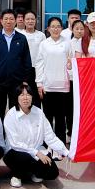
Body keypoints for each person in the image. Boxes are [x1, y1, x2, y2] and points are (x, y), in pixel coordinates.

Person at [3, 84, 69, 188]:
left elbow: (50, 137)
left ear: (32, 97)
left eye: (28, 94)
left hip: (37, 150)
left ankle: (33, 172)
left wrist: (66, 152)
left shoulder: (38, 113)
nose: (25, 98)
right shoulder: (11, 115)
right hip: (15, 152)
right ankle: (17, 175)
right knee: (25, 158)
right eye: (22, 95)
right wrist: (37, 153)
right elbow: (15, 143)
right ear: (17, 98)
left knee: (53, 172)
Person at [0, 9, 32, 120]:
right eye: (6, 19)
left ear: (15, 21)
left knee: (16, 110)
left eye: (11, 19)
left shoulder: (21, 38)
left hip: (17, 81)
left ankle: (14, 131)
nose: (8, 21)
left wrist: (25, 79)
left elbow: (27, 60)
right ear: (1, 21)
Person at [35, 17, 71, 145]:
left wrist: (70, 67)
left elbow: (72, 62)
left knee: (61, 118)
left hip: (63, 85)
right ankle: (48, 144)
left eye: (58, 26)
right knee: (48, 117)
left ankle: (60, 145)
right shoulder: (44, 44)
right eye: (53, 26)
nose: (55, 29)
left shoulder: (67, 43)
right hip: (47, 86)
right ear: (48, 29)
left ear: (62, 28)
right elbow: (39, 63)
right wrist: (39, 83)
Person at [17, 10, 45, 107]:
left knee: (37, 97)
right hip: (24, 70)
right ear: (24, 21)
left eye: (32, 19)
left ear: (36, 20)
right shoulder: (19, 34)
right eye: (28, 19)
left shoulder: (41, 35)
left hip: (38, 69)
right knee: (24, 95)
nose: (30, 21)